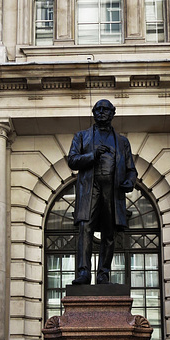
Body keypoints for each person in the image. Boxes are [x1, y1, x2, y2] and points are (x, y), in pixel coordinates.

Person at [67, 99, 137, 285]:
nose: (101, 112)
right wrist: (93, 155)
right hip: (90, 189)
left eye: (105, 109)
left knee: (109, 232)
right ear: (93, 113)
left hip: (112, 192)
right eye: (97, 109)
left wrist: (129, 181)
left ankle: (103, 273)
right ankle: (83, 272)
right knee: (85, 229)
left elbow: (131, 169)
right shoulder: (82, 136)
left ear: (113, 113)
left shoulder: (122, 142)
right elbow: (72, 161)